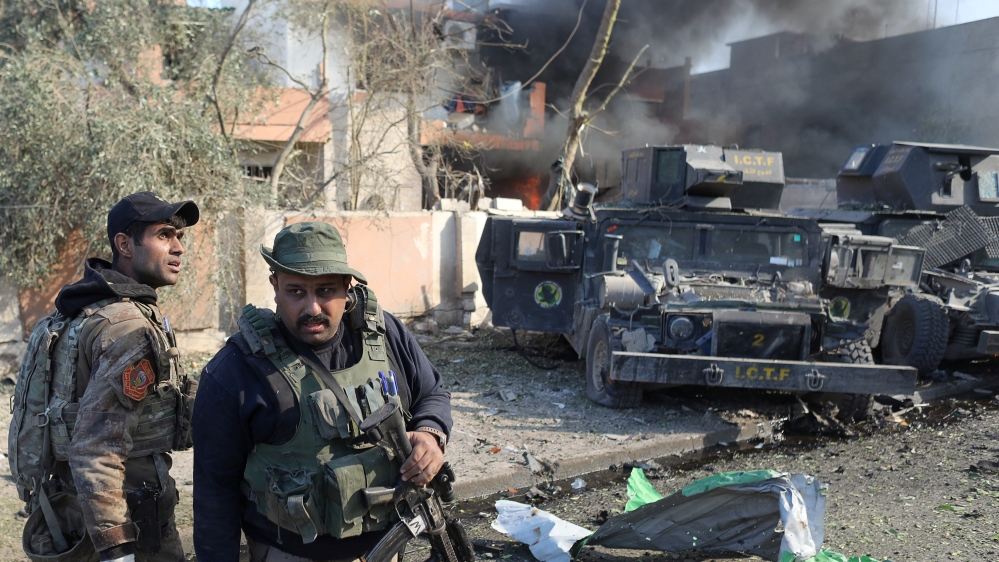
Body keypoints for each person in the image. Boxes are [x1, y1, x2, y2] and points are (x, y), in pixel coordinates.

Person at [193, 222, 452, 562]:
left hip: (388, 547)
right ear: (275, 286)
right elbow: (215, 494)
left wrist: (432, 434)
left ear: (348, 287)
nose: (312, 308)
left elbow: (431, 392)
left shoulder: (384, 335)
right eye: (296, 291)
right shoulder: (236, 371)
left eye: (326, 290)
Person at [48, 192, 199, 561]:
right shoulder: (126, 327)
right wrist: (118, 550)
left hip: (71, 510)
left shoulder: (83, 308)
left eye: (180, 237)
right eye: (164, 235)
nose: (178, 248)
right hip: (129, 522)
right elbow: (97, 448)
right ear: (124, 245)